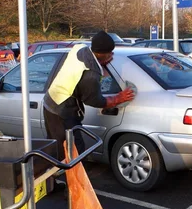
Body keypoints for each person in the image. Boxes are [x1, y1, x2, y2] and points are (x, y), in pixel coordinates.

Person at [43, 30, 135, 161]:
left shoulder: (80, 48)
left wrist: (101, 63)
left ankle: (56, 176)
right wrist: (117, 99)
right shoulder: (91, 73)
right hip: (61, 110)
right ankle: (63, 180)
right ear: (103, 54)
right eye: (110, 53)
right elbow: (94, 100)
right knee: (72, 150)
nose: (111, 55)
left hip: (51, 99)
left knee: (58, 146)